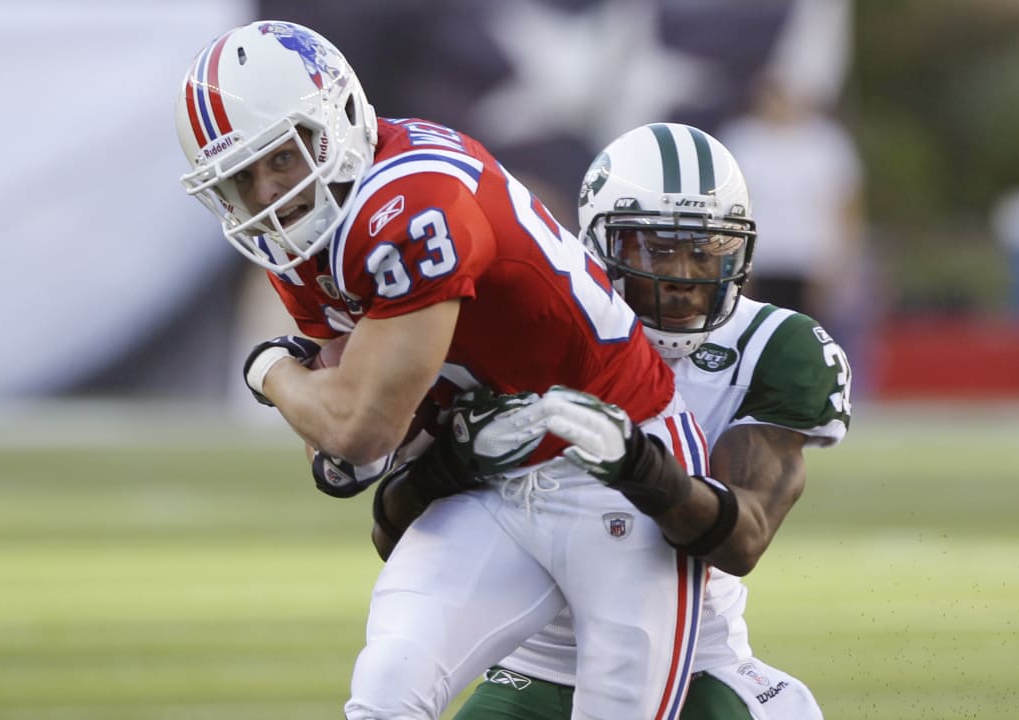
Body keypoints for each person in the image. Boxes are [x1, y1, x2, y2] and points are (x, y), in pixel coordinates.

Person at [175, 21, 724, 720]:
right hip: (491, 481)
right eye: (242, 178)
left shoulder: (410, 202)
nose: (269, 192)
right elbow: (340, 455)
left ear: (334, 119)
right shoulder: (313, 230)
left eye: (282, 157)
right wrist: (327, 408)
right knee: (385, 693)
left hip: (616, 464)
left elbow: (356, 428)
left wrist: (268, 372)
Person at [372, 123, 852, 718]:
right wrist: (453, 461)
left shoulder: (773, 347)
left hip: (694, 655)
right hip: (536, 660)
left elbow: (742, 539)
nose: (681, 275)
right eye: (654, 247)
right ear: (598, 246)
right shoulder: (533, 325)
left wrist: (639, 465)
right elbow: (392, 536)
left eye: (704, 250)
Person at [717, 73, 875, 394]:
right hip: (763, 259)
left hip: (810, 259)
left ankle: (819, 396)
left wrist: (842, 260)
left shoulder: (826, 143)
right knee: (760, 335)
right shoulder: (743, 141)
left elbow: (845, 205)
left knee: (811, 337)